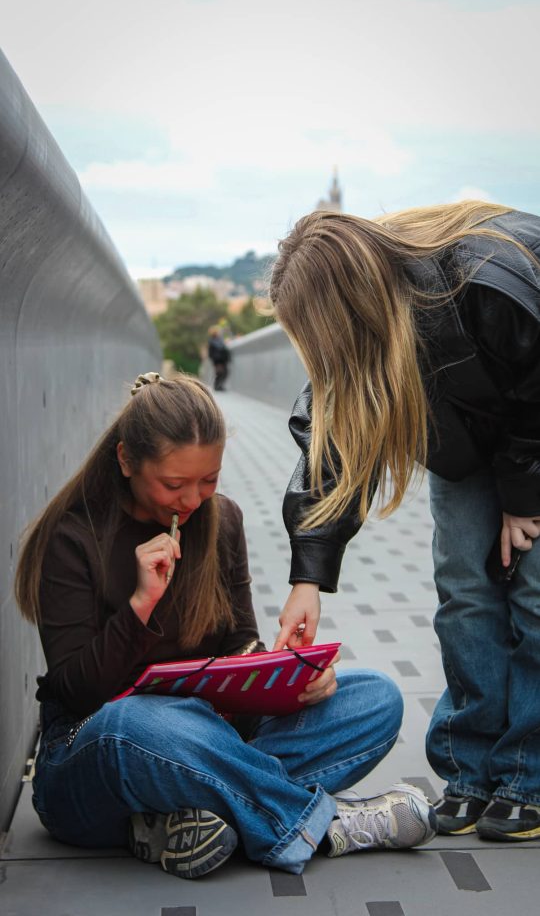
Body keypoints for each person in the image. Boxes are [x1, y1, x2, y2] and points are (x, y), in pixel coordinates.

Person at [16, 371, 435, 881]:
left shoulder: (223, 521)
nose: (193, 500)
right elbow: (79, 692)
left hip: (212, 737)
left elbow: (239, 639)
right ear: (126, 460)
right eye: (174, 484)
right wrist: (140, 606)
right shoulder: (73, 537)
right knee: (141, 722)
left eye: (208, 480)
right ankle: (327, 824)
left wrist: (279, 670)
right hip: (91, 757)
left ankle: (192, 819)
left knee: (375, 699)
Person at [269, 202, 540, 842]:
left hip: (533, 431)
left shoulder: (482, 278)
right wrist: (308, 578)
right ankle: (470, 772)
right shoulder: (367, 335)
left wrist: (523, 496)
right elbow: (328, 447)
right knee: (465, 589)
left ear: (347, 304)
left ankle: (528, 774)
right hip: (470, 442)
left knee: (532, 596)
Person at [207, 326, 231, 391]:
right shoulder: (214, 341)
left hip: (221, 360)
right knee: (220, 373)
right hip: (218, 361)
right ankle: (218, 386)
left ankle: (218, 386)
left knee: (222, 373)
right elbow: (214, 351)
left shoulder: (217, 340)